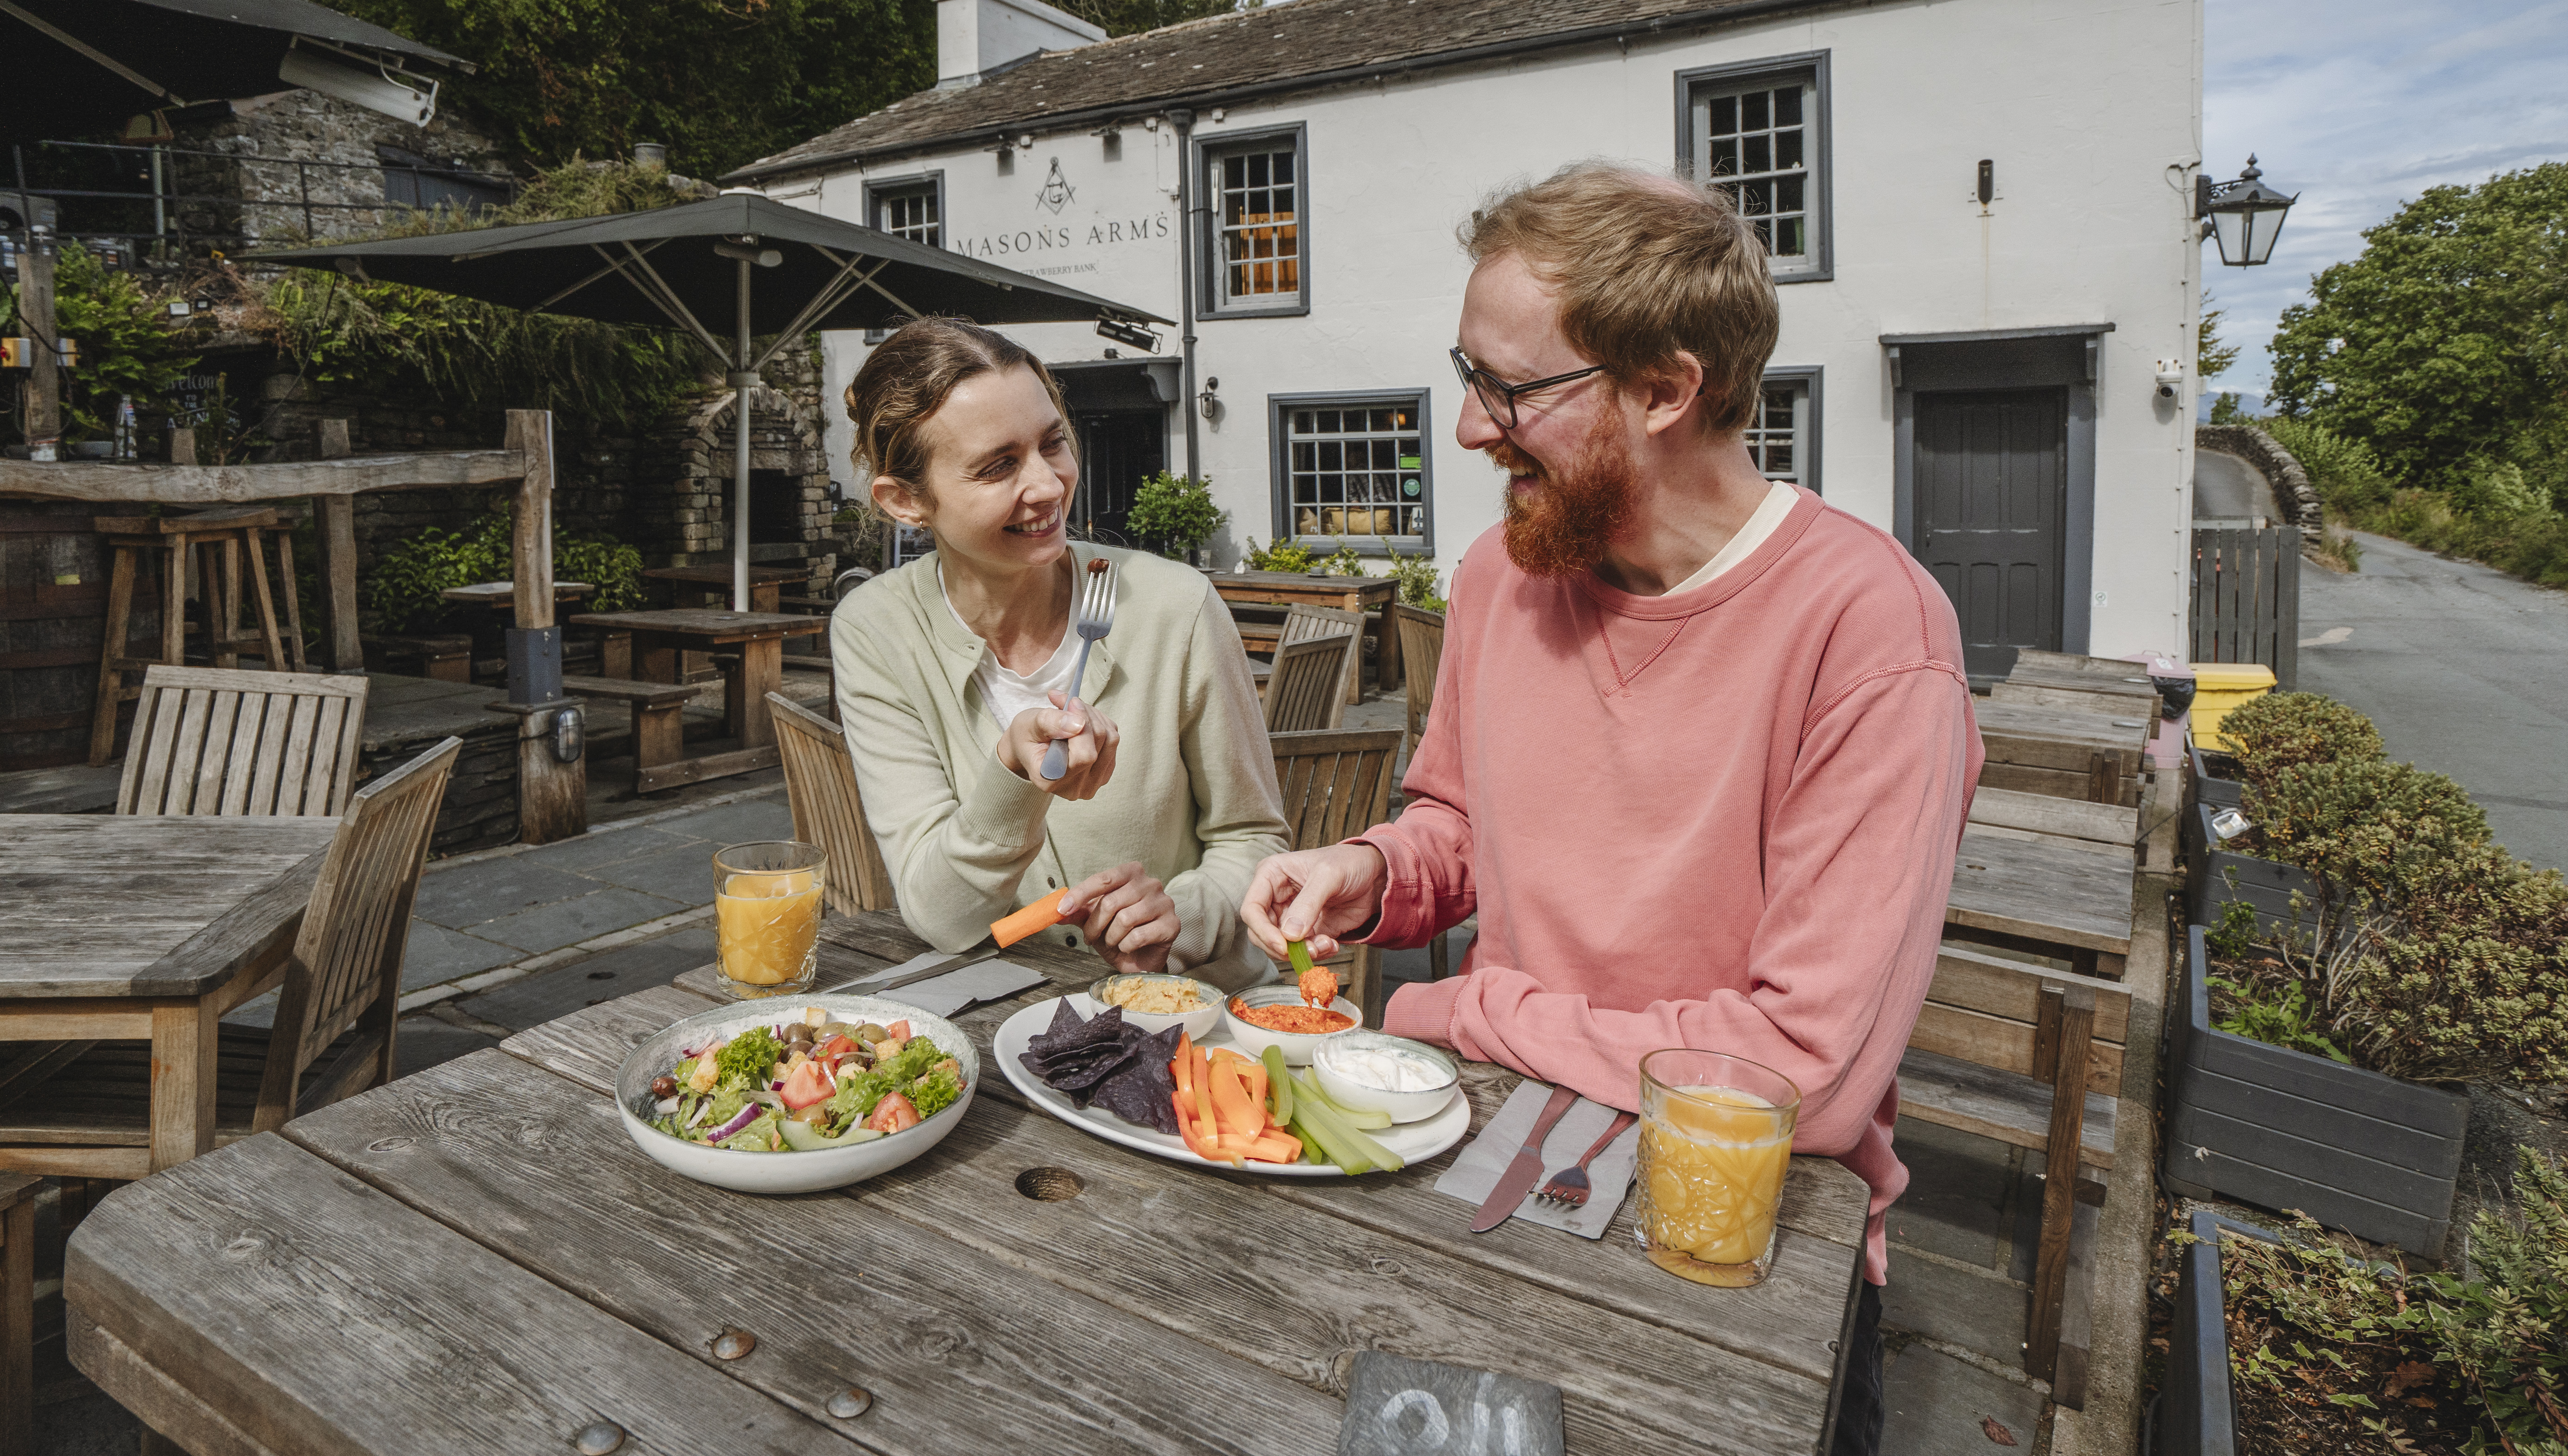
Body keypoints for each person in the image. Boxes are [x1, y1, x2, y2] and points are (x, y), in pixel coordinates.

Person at [1238, 164, 1980, 1456]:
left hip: (1739, 1253)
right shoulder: (1500, 575)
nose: (1469, 429)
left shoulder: (1873, 631)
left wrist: (1460, 1008)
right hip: (1485, 1164)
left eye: (1511, 389)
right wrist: (1375, 870)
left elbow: (1802, 1081)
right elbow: (1463, 823)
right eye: (1468, 375)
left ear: (1663, 389)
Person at [830, 317, 1288, 989]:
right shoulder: (875, 629)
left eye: (1054, 444)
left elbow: (1254, 838)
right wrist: (1012, 775)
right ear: (906, 501)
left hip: (1194, 1018)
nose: (1048, 486)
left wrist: (1179, 916)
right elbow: (940, 915)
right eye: (999, 466)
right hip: (1011, 1032)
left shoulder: (1174, 607)